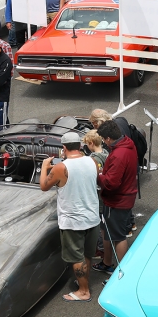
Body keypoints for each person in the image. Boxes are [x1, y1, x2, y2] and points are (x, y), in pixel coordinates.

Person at [39, 130, 101, 303]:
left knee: (76, 257)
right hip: (92, 217)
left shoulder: (61, 167)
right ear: (80, 146)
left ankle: (83, 291)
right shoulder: (92, 161)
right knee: (87, 254)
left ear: (63, 148)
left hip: (73, 221)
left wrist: (45, 167)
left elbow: (44, 186)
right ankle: (84, 281)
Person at [94, 119, 137, 275]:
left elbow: (112, 183)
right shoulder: (127, 144)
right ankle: (107, 262)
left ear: (108, 139)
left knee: (118, 237)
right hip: (122, 197)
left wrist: (98, 175)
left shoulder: (119, 154)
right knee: (106, 231)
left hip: (117, 201)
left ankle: (122, 272)